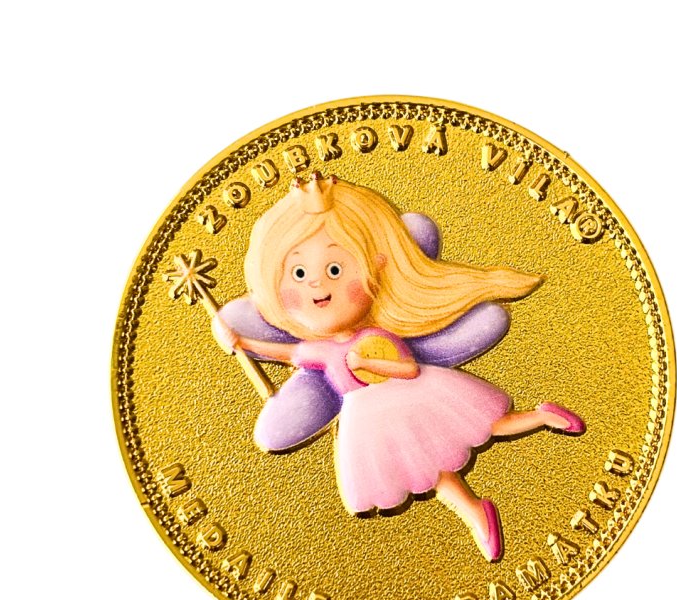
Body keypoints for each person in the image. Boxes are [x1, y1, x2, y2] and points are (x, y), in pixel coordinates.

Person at [213, 173, 583, 561]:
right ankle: (475, 512)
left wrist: (366, 361)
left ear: (376, 266)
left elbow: (408, 370)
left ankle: (543, 417)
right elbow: (284, 354)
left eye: (336, 270)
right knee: (434, 471)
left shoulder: (376, 335)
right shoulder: (318, 350)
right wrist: (239, 342)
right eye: (299, 274)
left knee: (491, 425)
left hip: (416, 396)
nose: (317, 286)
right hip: (373, 421)